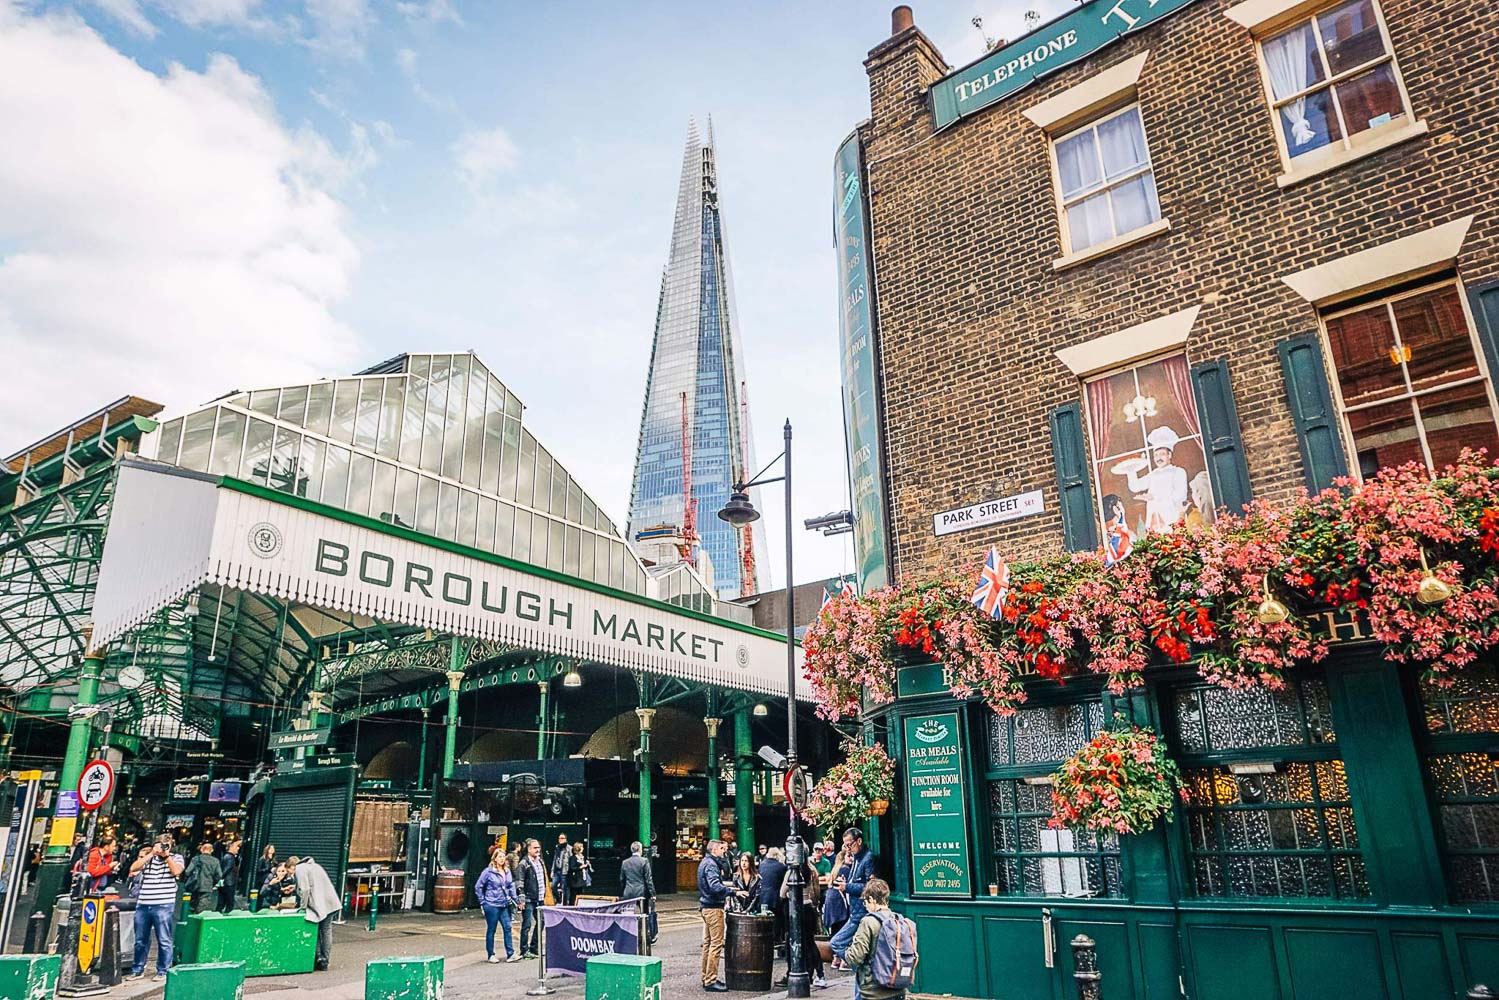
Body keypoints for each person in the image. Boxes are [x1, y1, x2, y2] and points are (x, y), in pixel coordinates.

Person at [127, 836, 185, 982]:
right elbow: (133, 868)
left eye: (167, 845)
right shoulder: (149, 858)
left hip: (164, 904)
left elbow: (176, 871)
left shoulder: (176, 857)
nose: (163, 848)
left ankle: (163, 970)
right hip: (144, 903)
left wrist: (166, 857)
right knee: (140, 940)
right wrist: (151, 854)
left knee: (164, 939)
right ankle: (137, 968)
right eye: (161, 845)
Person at [843, 879, 907, 1000]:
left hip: (874, 991)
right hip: (898, 986)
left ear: (871, 900)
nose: (866, 907)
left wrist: (847, 953)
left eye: (865, 902)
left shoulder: (869, 922)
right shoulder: (899, 920)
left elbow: (855, 957)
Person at [1125, 425, 1189, 535]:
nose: (1158, 458)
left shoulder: (1178, 472)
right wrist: (1131, 469)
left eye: (1162, 454)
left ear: (1169, 455)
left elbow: (1180, 495)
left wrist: (1154, 498)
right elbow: (1135, 487)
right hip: (1154, 519)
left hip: (1172, 516)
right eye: (1156, 455)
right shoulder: (1153, 474)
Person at [829, 828, 876, 973]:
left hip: (861, 913)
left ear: (859, 841)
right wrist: (846, 882)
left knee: (836, 943)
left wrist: (847, 886)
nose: (848, 849)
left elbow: (871, 887)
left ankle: (861, 969)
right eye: (845, 846)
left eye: (849, 845)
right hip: (855, 912)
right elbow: (857, 880)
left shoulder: (868, 858)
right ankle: (862, 970)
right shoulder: (856, 858)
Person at [780, 854, 828, 989]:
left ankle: (795, 973)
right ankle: (820, 974)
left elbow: (782, 893)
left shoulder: (791, 872)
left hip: (796, 909)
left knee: (794, 942)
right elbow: (817, 892)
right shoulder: (812, 870)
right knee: (810, 943)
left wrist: (790, 894)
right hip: (809, 909)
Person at [290, 855, 342, 972]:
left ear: (292, 867)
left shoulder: (300, 869)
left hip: (318, 905)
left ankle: (319, 957)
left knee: (316, 929)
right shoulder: (315, 866)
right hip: (330, 902)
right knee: (326, 930)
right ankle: (325, 960)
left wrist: (302, 907)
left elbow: (305, 889)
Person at [474, 851, 521, 963]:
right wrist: (483, 902)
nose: (502, 859)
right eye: (499, 857)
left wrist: (516, 900)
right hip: (492, 904)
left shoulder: (507, 871)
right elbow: (478, 886)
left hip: (504, 904)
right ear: (494, 858)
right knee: (492, 929)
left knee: (507, 928)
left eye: (503, 857)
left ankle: (511, 954)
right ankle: (491, 955)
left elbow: (511, 886)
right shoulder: (488, 872)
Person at [697, 839, 730, 993]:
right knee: (716, 944)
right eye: (722, 849)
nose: (723, 851)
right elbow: (715, 886)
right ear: (715, 849)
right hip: (713, 908)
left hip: (705, 906)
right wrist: (732, 891)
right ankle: (710, 980)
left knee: (708, 944)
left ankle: (706, 976)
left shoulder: (705, 862)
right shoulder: (711, 864)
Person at [619, 841, 656, 943]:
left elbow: (622, 879)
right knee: (644, 915)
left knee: (628, 915)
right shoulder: (644, 861)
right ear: (640, 849)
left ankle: (628, 936)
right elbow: (649, 880)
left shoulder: (625, 862)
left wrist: (624, 890)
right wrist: (653, 894)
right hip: (641, 892)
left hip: (628, 891)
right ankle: (646, 937)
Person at [517, 838, 547, 960]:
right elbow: (519, 881)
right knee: (527, 924)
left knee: (542, 921)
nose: (538, 850)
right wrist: (521, 898)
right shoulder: (524, 863)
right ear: (529, 849)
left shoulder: (540, 861)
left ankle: (534, 948)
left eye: (538, 847)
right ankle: (524, 950)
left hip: (539, 898)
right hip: (529, 898)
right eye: (535, 848)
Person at [181, 841, 223, 914]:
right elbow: (219, 875)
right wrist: (213, 883)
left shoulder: (195, 859)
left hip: (194, 885)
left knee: (191, 905)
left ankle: (189, 917)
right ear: (212, 850)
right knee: (202, 907)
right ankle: (197, 918)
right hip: (207, 886)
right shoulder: (215, 861)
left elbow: (188, 871)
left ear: (201, 850)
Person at [759, 847, 788, 945]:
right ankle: (777, 939)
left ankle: (766, 938)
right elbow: (785, 882)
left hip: (763, 896)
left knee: (765, 918)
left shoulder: (761, 865)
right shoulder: (781, 867)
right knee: (779, 917)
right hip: (776, 896)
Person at [219, 839, 242, 912]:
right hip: (229, 883)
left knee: (221, 902)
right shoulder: (230, 857)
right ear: (231, 847)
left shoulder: (226, 856)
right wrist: (220, 877)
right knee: (229, 903)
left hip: (225, 882)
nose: (238, 848)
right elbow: (227, 869)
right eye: (236, 846)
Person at [551, 834, 571, 906]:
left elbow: (571, 860)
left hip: (564, 871)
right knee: (553, 886)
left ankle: (565, 904)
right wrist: (552, 870)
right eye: (559, 838)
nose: (560, 840)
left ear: (566, 839)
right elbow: (554, 859)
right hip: (557, 870)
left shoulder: (569, 848)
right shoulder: (557, 847)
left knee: (564, 888)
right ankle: (559, 900)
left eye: (562, 838)